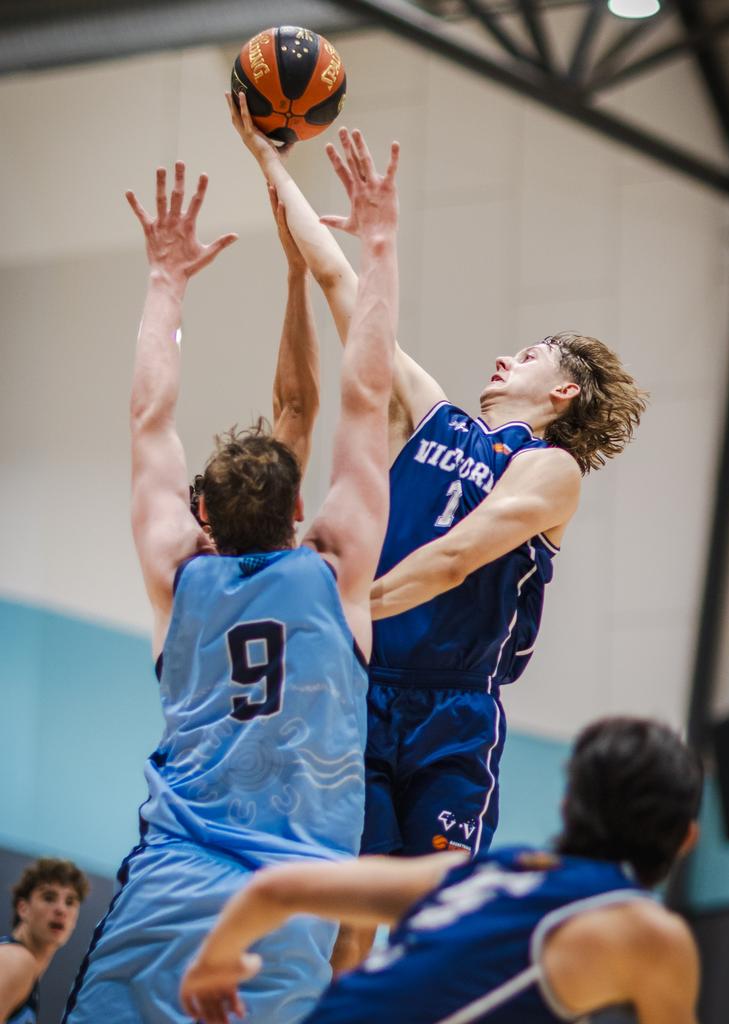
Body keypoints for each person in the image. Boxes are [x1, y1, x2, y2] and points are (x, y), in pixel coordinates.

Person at [226, 93, 649, 966]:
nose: (503, 358)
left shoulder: (550, 469)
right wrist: (270, 164)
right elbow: (347, 287)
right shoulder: (439, 420)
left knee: (429, 920)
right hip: (373, 692)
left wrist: (340, 611)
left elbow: (458, 559)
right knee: (352, 914)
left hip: (454, 710)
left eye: (527, 356)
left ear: (562, 393)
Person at [64, 132, 400, 1024]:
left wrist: (166, 282)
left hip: (172, 886)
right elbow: (367, 397)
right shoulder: (335, 568)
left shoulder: (180, 574)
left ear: (200, 511)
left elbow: (149, 417)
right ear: (301, 512)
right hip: (292, 904)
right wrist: (379, 247)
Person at [181, 716, 702, 1024]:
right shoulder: (651, 933)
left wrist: (213, 966)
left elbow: (276, 889)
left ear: (567, 805)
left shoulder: (479, 874)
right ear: (687, 839)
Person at [0, 858, 88, 1024]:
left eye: (70, 902)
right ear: (23, 908)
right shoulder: (16, 959)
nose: (61, 909)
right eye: (49, 897)